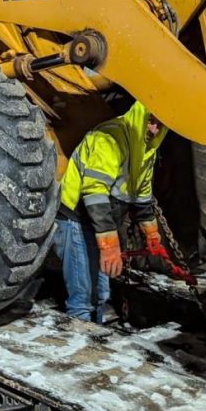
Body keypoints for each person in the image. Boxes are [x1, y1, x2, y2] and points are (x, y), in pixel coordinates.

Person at [54, 101, 168, 322]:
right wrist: (109, 245)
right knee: (83, 297)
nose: (154, 129)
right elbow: (94, 192)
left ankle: (93, 333)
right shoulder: (110, 138)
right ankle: (79, 337)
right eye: (151, 121)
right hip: (77, 218)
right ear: (140, 116)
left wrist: (151, 233)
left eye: (160, 125)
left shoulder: (147, 149)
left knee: (101, 294)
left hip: (99, 222)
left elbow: (142, 194)